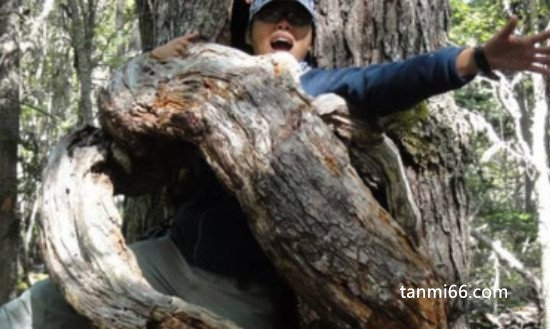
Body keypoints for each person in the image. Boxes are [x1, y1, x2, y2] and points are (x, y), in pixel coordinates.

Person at [2, 1, 550, 328]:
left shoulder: (315, 86)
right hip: (166, 258)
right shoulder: (206, 74)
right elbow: (127, 111)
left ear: (310, 40)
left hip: (245, 298)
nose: (284, 23)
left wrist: (477, 59)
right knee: (39, 308)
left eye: (298, 18)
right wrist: (150, 61)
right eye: (272, 14)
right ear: (251, 29)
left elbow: (393, 78)